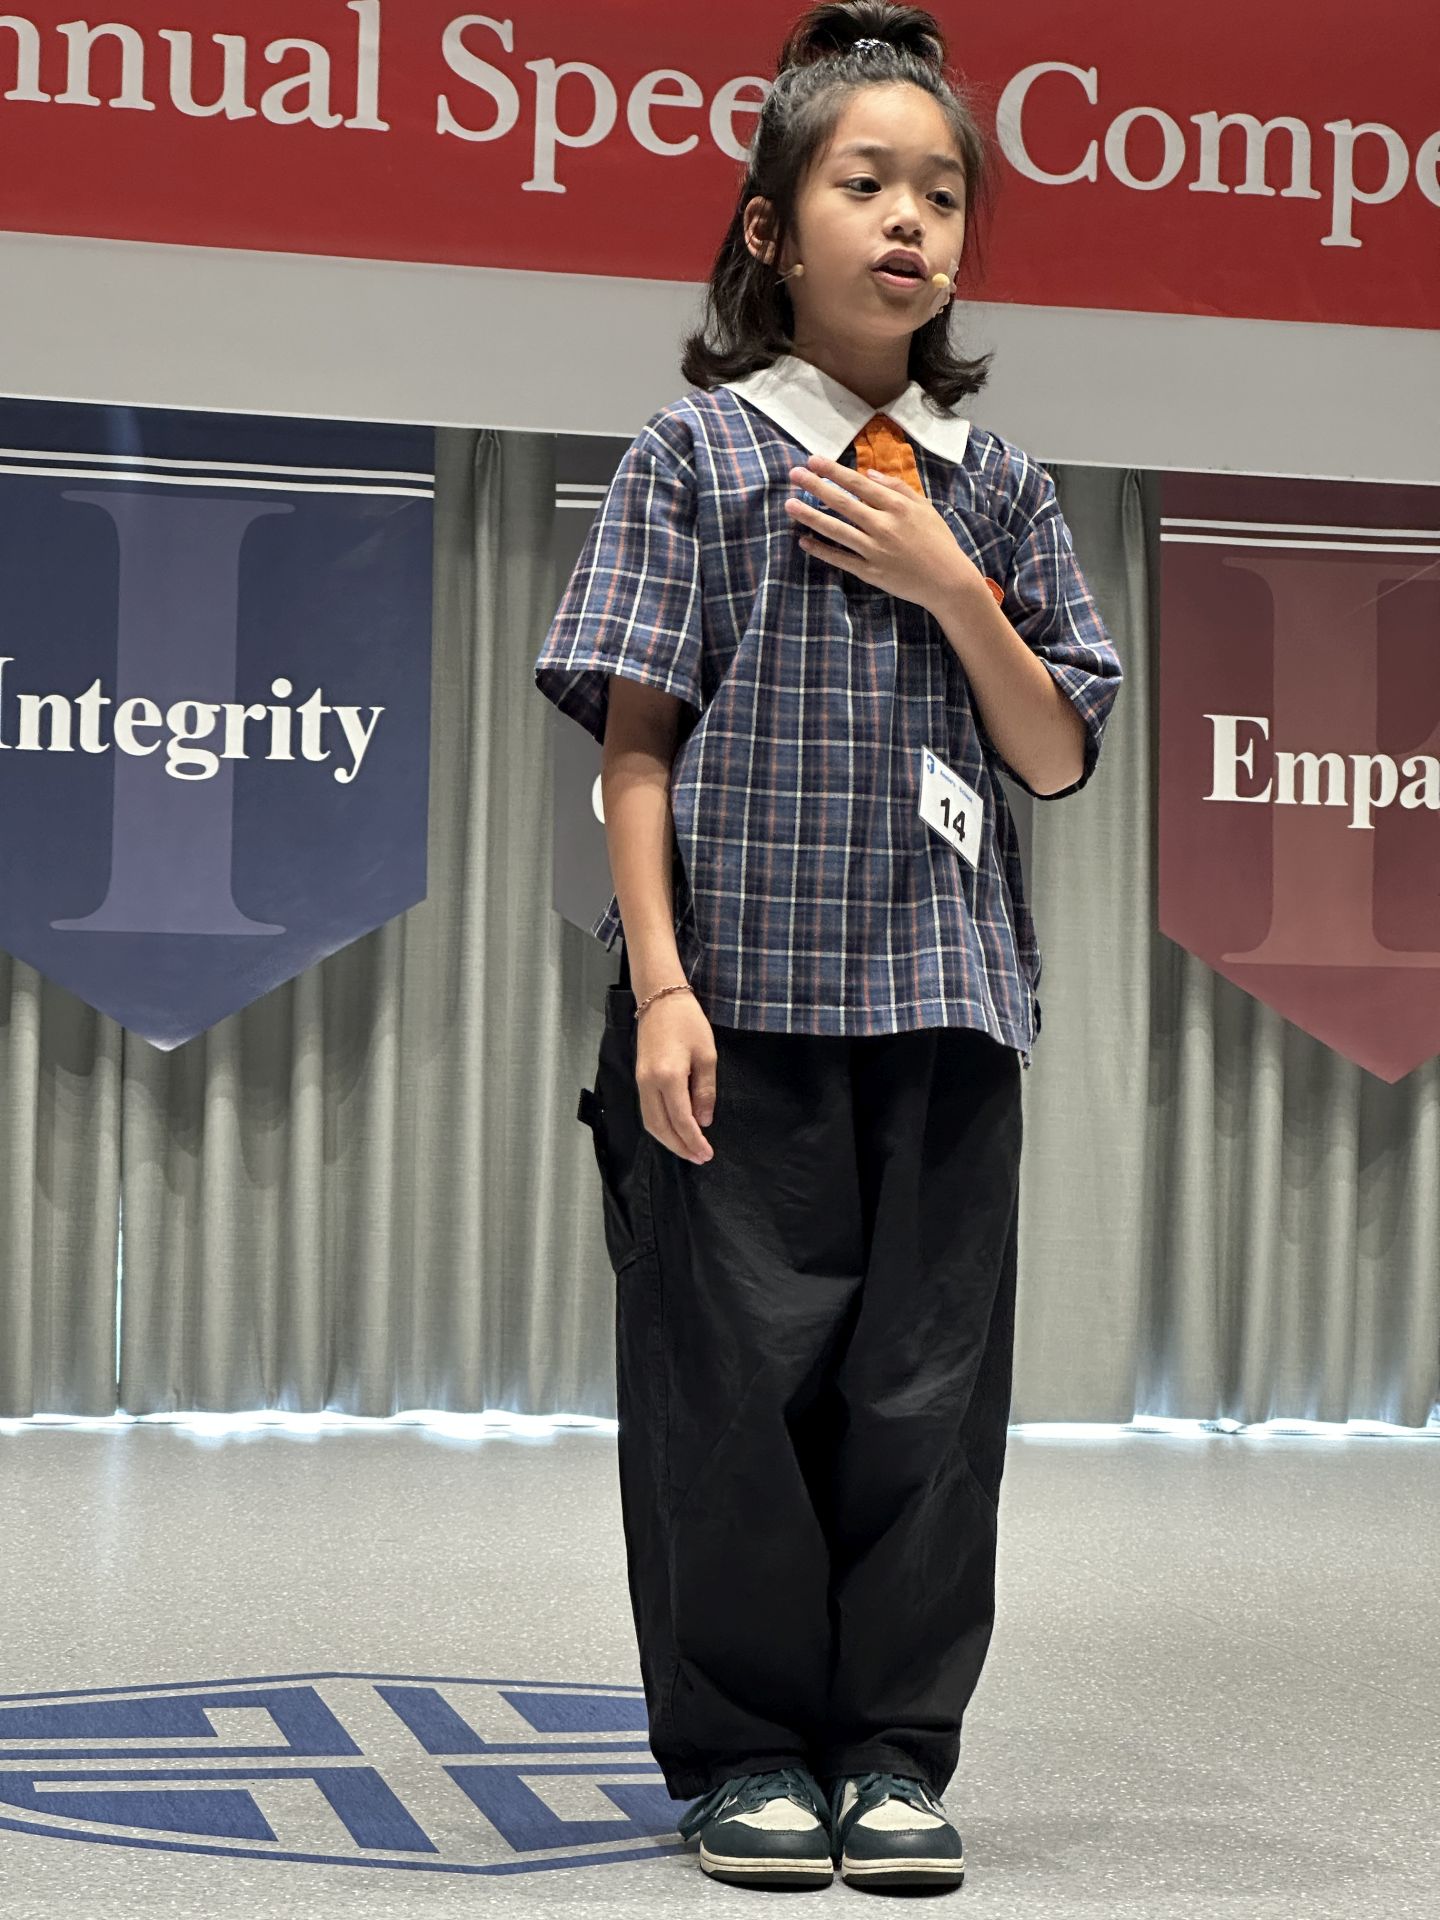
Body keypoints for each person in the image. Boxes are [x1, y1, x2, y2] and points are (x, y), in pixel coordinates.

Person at [535, 0, 1123, 1894]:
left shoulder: (998, 485)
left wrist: (955, 584)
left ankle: (891, 1752)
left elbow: (1055, 751)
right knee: (727, 1397)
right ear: (772, 229)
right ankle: (743, 1755)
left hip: (944, 1014)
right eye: (865, 183)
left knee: (925, 1410)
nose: (909, 222)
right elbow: (636, 747)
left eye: (940, 192)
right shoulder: (697, 457)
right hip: (738, 1009)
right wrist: (662, 988)